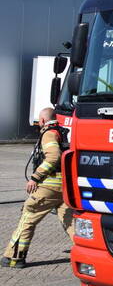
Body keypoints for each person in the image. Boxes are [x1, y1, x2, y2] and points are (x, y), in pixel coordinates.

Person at [2, 108, 74, 268]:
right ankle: (86, 253)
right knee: (70, 222)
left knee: (28, 216)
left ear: (42, 120)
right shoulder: (63, 133)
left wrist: (35, 178)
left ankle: (14, 258)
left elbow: (53, 156)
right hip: (65, 186)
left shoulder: (48, 133)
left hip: (49, 185)